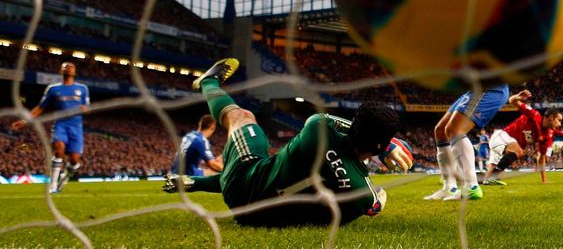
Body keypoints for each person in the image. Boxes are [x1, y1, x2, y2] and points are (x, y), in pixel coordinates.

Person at [162, 57, 413, 227]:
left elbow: (328, 121)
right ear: (378, 146)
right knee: (281, 177)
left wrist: (389, 145)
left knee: (242, 117)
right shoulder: (361, 195)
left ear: (355, 122)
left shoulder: (318, 128)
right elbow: (375, 203)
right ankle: (193, 182)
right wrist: (376, 199)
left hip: (242, 187)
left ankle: (207, 81)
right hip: (254, 218)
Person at [423, 84, 525, 202]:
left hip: (490, 87)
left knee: (455, 130)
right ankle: (449, 187)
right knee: (440, 131)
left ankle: (471, 187)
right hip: (472, 89)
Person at [11, 61, 90, 193]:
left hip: (76, 127)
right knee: (59, 150)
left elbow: (87, 108)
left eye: (71, 67)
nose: (68, 69)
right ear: (61, 71)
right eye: (65, 67)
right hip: (61, 125)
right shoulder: (53, 89)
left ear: (75, 72)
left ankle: (64, 179)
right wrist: (25, 121)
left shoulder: (82, 88)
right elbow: (41, 107)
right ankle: (53, 185)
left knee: (75, 160)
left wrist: (84, 109)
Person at [482, 91, 563, 185]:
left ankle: (477, 182)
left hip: (506, 145)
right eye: (559, 120)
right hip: (501, 136)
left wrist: (544, 180)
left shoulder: (547, 136)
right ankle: (491, 177)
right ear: (551, 117)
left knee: (488, 178)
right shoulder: (534, 115)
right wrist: (518, 97)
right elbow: (512, 101)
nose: (560, 124)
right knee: (519, 151)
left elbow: (541, 159)